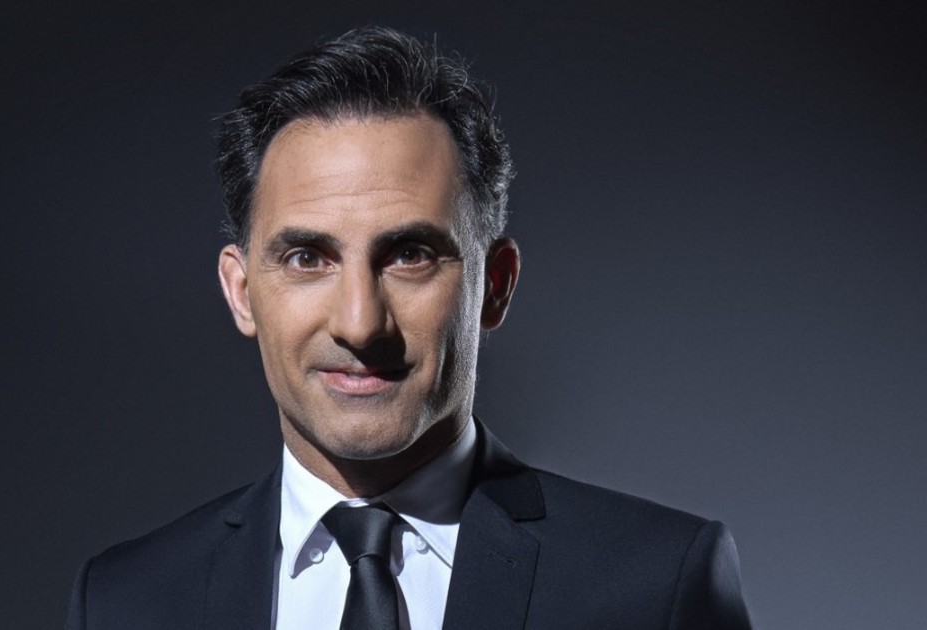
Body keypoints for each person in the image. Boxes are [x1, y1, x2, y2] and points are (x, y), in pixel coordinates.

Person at [65, 26, 751, 629]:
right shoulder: (125, 604)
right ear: (242, 293)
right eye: (307, 258)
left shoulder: (655, 588)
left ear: (495, 285)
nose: (360, 323)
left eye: (409, 255)